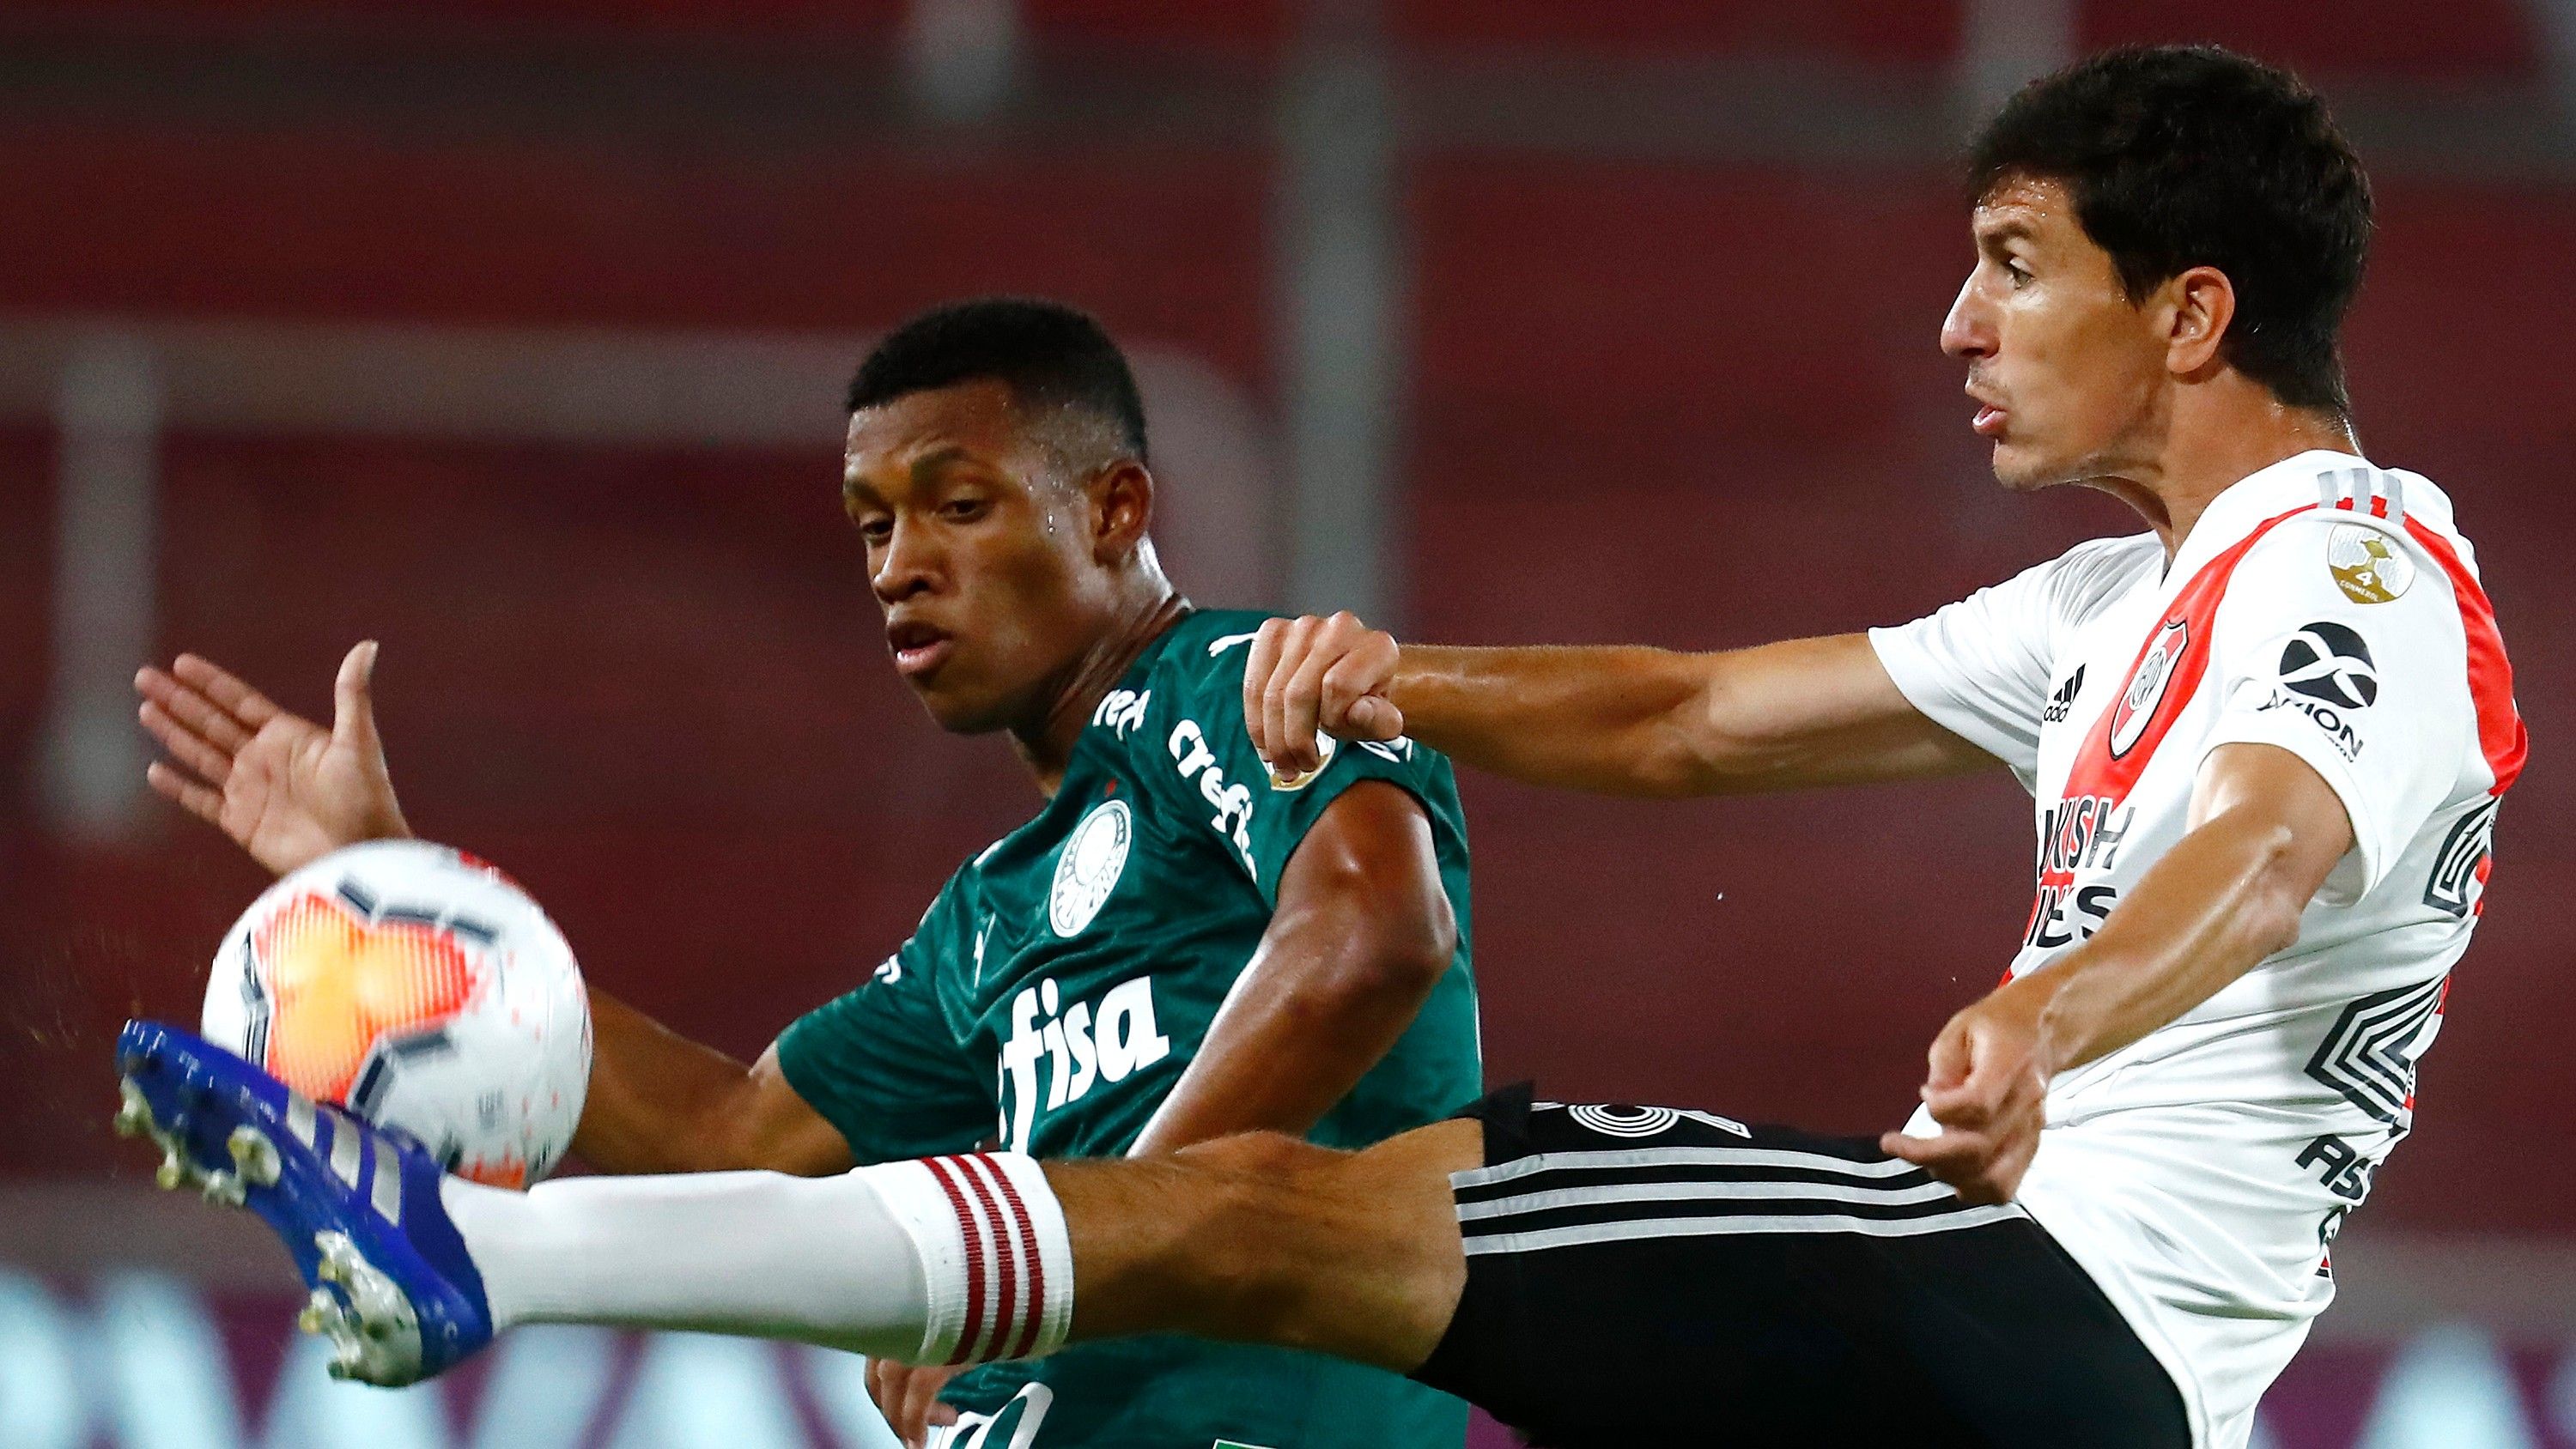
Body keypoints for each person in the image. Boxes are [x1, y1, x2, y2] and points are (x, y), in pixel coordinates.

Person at [118, 45, 2523, 1449]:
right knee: (1286, 1221)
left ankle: (475, 1262)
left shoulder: (2355, 572)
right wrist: (1391, 673)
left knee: (1295, 1211)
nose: (1957, 328)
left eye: (2012, 266)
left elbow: (2270, 847)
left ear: (2188, 311)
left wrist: (2047, 1012)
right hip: (2049, 1368)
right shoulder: (2109, 607)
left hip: (2055, 1300)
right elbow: (1691, 720)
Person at [130, 299, 1485, 1448]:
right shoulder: (991, 916)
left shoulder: (1259, 690)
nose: (901, 568)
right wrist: (396, 878)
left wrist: (1066, 1264)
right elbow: (734, 1138)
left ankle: (469, 1255)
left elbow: (1375, 935)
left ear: (1113, 509)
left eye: (959, 507)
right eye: (872, 526)